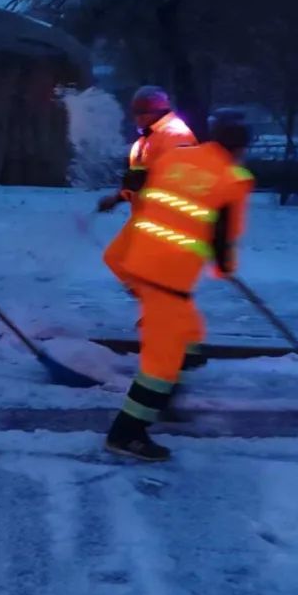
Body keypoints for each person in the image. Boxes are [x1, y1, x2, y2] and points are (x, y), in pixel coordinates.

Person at [104, 108, 255, 462]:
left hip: (138, 261)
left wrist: (117, 197)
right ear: (241, 147)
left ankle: (168, 397)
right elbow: (223, 237)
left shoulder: (178, 157)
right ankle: (127, 434)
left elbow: (142, 183)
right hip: (167, 279)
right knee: (161, 366)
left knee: (190, 336)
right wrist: (225, 267)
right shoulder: (232, 179)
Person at [98, 86, 197, 292]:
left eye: (143, 113)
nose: (138, 118)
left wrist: (149, 179)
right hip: (144, 217)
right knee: (116, 258)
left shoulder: (176, 134)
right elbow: (135, 182)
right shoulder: (143, 142)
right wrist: (118, 198)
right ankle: (153, 300)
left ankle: (159, 303)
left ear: (158, 111)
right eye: (136, 112)